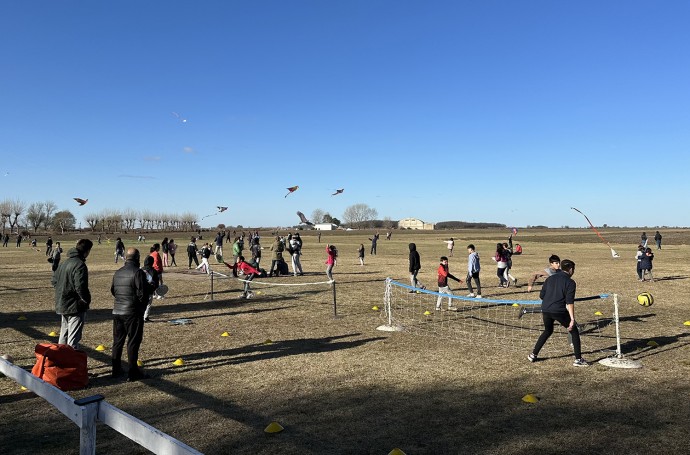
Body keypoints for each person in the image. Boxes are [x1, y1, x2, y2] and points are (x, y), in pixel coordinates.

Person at [528, 259, 589, 367]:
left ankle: (533, 354)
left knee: (548, 330)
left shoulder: (550, 279)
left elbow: (542, 295)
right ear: (570, 269)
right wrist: (572, 319)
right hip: (558, 310)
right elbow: (570, 302)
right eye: (573, 269)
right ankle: (578, 359)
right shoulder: (570, 282)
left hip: (546, 309)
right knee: (574, 331)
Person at [110, 247, 150, 381]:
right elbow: (142, 294)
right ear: (138, 258)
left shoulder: (118, 272)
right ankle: (133, 371)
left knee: (117, 341)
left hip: (117, 311)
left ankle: (116, 369)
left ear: (126, 258)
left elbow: (113, 291)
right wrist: (141, 308)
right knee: (133, 341)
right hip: (132, 312)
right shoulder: (138, 273)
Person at [52, 239, 93, 349]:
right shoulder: (80, 265)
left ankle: (59, 357)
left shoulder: (64, 263)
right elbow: (80, 287)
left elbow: (54, 281)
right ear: (87, 251)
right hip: (75, 305)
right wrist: (85, 300)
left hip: (62, 302)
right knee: (73, 338)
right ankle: (70, 361)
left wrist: (62, 292)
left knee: (63, 334)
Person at [141, 255, 160, 322]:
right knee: (148, 304)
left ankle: (140, 316)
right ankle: (145, 317)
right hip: (149, 291)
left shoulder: (140, 270)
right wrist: (154, 288)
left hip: (140, 290)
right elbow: (156, 282)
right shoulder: (154, 271)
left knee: (140, 304)